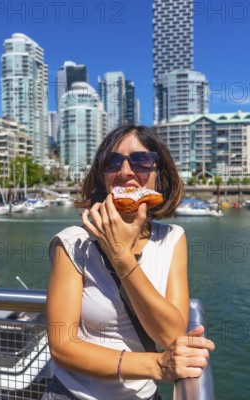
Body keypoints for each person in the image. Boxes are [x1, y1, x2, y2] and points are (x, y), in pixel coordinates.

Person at [44, 125, 215, 399]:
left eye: (141, 160)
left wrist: (122, 258)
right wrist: (157, 366)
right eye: (112, 162)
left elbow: (171, 334)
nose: (125, 171)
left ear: (159, 174)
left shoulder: (172, 238)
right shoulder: (72, 242)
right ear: (103, 177)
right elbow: (62, 345)